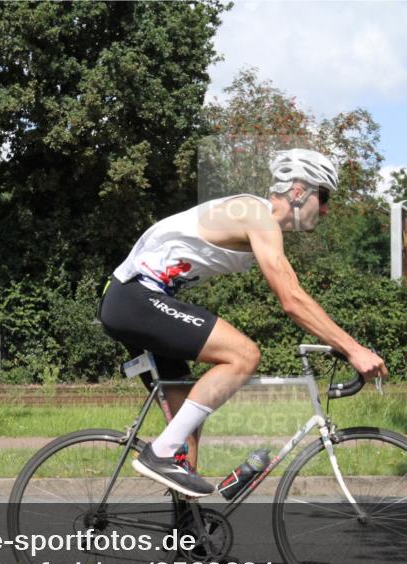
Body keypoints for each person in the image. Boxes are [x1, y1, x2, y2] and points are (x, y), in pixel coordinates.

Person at [98, 148, 388, 496]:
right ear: (299, 192)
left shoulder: (254, 219)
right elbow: (292, 300)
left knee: (186, 428)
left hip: (138, 300)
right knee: (244, 354)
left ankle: (189, 538)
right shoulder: (255, 215)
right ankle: (158, 455)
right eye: (323, 196)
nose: (326, 209)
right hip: (135, 298)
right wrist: (354, 349)